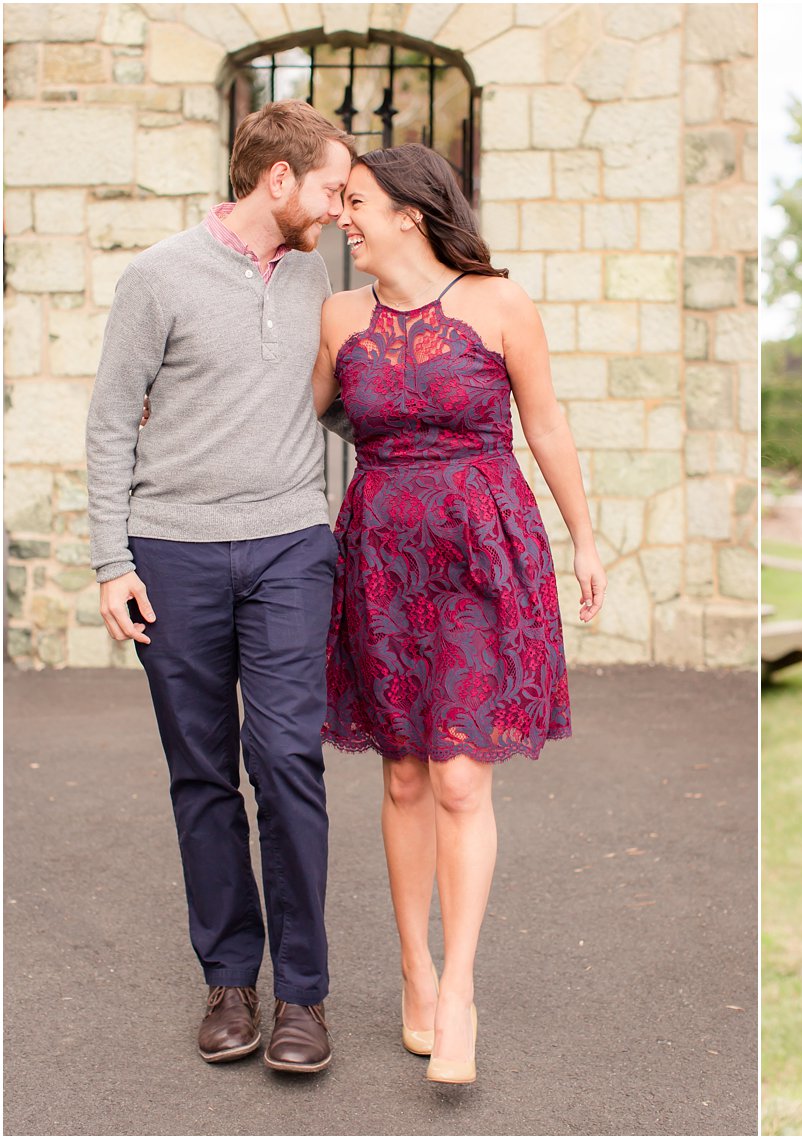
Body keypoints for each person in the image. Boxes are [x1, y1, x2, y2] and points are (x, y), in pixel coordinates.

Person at [311, 144, 607, 1086]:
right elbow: (297, 420)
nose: (343, 217)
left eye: (356, 202)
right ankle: (413, 970)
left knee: (459, 781)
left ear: (411, 211)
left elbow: (547, 423)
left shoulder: (499, 303)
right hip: (382, 559)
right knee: (401, 777)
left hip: (481, 554)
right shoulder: (338, 315)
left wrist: (585, 539)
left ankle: (461, 992)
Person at [85, 100, 355, 1072]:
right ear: (276, 179)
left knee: (287, 761)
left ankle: (305, 997)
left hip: (289, 544)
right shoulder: (156, 277)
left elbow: (331, 403)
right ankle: (230, 979)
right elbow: (113, 419)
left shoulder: (315, 274)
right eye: (328, 186)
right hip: (174, 552)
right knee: (201, 772)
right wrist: (112, 560)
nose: (337, 205)